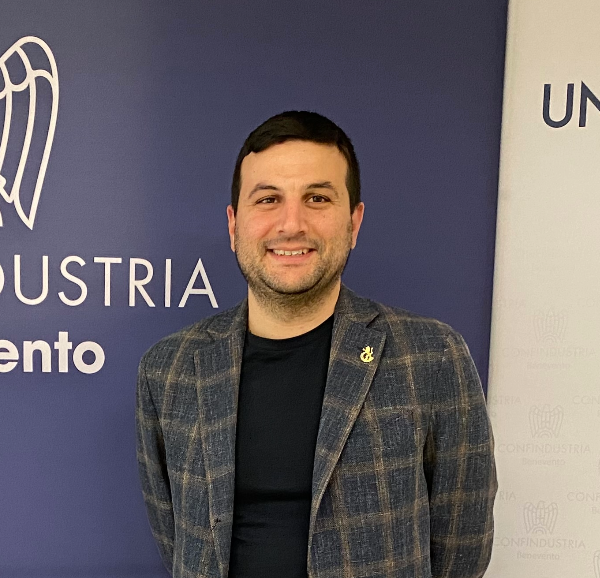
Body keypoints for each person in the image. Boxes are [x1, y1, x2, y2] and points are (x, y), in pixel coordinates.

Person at [135, 110, 497, 578]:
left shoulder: (432, 357)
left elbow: (462, 548)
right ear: (233, 224)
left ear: (354, 222)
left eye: (317, 198)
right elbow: (176, 538)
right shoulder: (169, 369)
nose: (291, 224)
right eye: (268, 199)